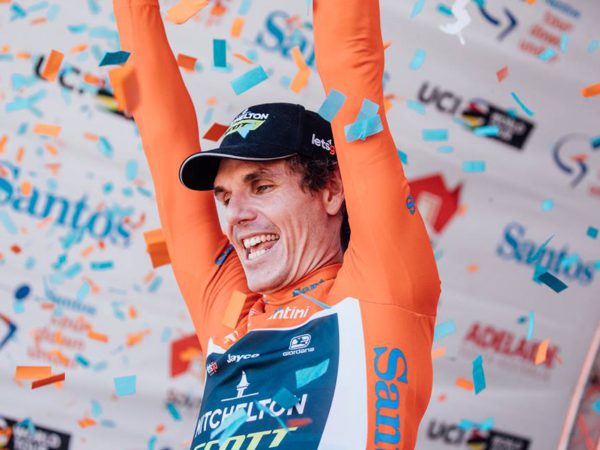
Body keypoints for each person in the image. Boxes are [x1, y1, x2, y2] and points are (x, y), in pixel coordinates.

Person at [113, 0, 441, 447]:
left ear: (331, 189)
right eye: (225, 196)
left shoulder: (381, 289)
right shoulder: (231, 316)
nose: (236, 215)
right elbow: (160, 131)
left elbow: (351, 66)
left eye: (262, 186)